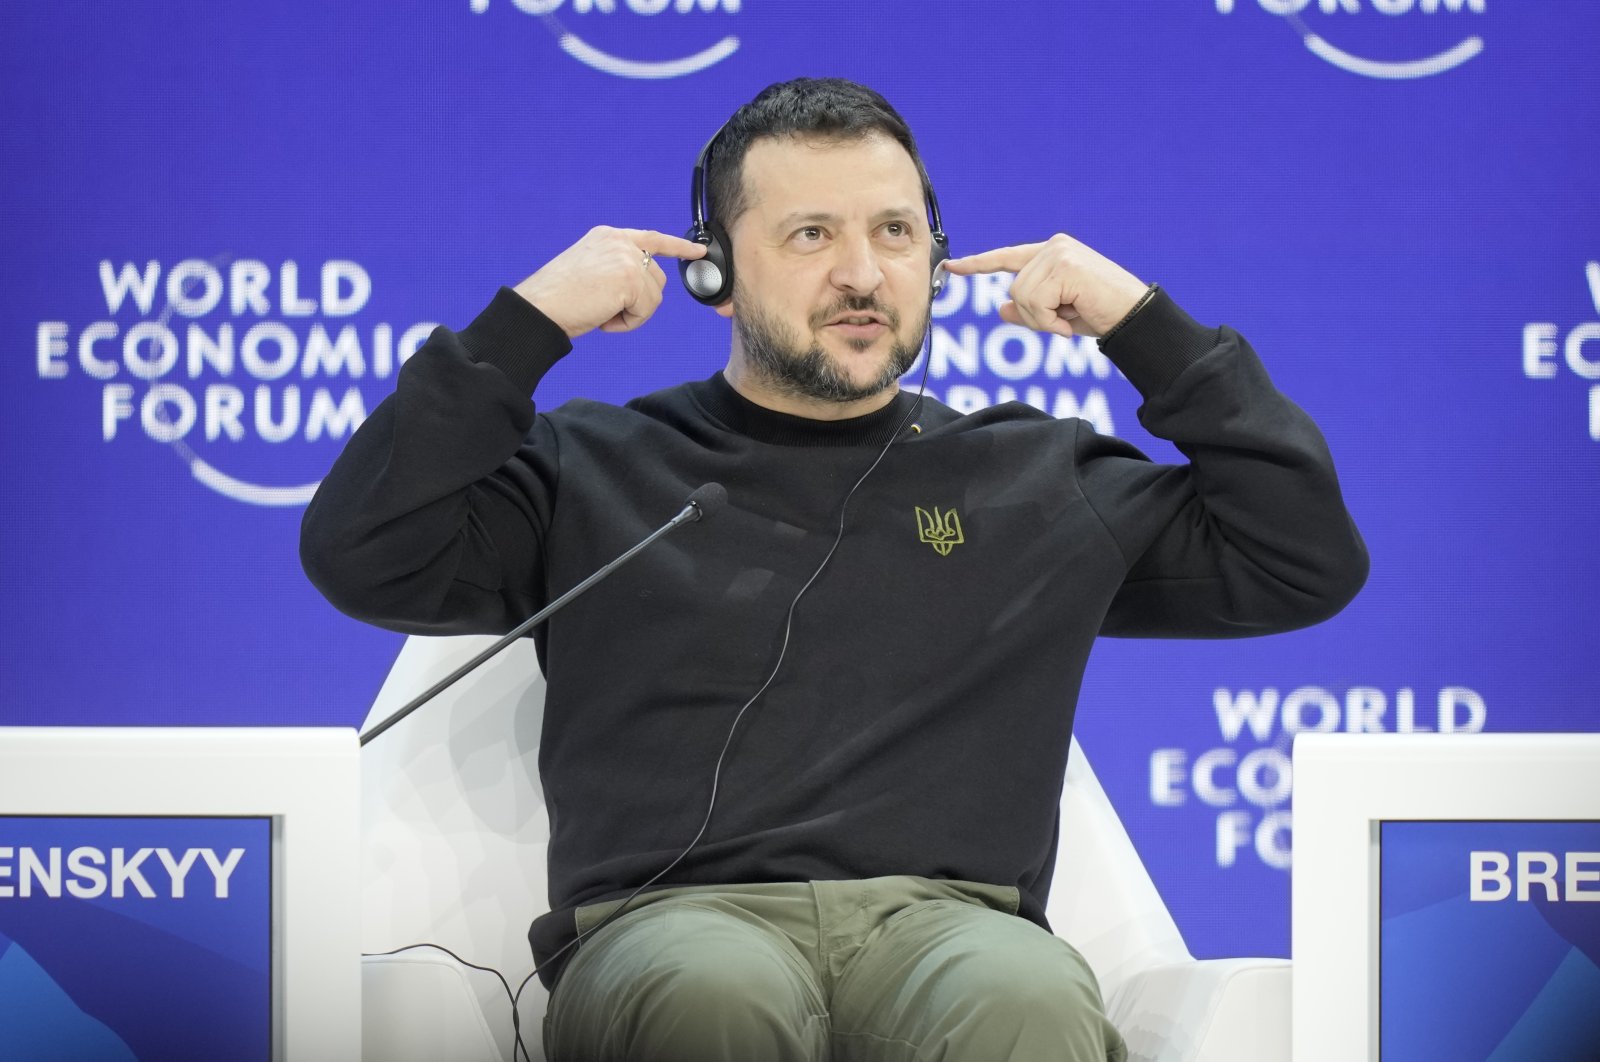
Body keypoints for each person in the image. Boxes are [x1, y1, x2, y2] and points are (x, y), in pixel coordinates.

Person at [301, 77, 1367, 1061]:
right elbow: (362, 552)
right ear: (714, 271)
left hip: (954, 932)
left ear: (934, 258)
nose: (862, 273)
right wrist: (525, 327)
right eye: (811, 234)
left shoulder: (1032, 475)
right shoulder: (594, 465)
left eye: (894, 233)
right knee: (708, 991)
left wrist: (1145, 328)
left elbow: (1301, 558)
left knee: (1023, 996)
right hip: (672, 930)